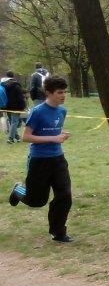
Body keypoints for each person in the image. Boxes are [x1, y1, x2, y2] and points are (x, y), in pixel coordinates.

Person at [9, 76, 73, 243]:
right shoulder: (37, 111)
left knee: (65, 196)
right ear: (48, 93)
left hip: (58, 159)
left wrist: (61, 134)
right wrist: (54, 138)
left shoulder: (62, 111)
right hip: (39, 161)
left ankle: (58, 232)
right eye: (59, 92)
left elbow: (52, 130)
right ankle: (18, 190)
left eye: (65, 92)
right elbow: (26, 137)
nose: (63, 95)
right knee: (36, 201)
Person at [2, 71, 27, 143]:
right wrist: (23, 106)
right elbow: (20, 97)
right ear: (13, 76)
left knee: (12, 122)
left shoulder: (4, 85)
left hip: (7, 106)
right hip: (16, 107)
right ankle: (10, 138)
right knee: (14, 122)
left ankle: (17, 137)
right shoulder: (16, 85)